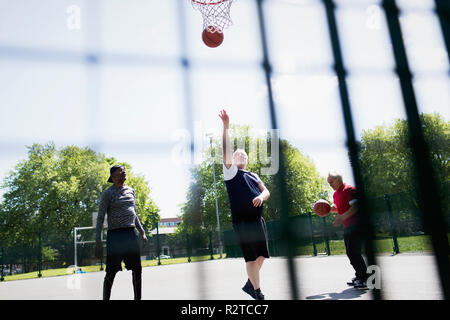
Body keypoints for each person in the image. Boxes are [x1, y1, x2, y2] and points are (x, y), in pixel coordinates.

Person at [219, 109, 270, 300]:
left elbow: (266, 191)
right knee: (250, 257)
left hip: (258, 220)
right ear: (232, 159)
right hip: (243, 221)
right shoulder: (231, 173)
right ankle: (257, 291)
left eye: (244, 155)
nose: (241, 156)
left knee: (262, 256)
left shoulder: (253, 175)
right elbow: (226, 149)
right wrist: (226, 127)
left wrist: (262, 197)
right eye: (237, 154)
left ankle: (250, 283)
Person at [95, 165, 148, 300]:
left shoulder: (131, 191)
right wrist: (98, 241)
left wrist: (142, 232)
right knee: (111, 272)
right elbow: (101, 217)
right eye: (120, 170)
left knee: (137, 270)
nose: (124, 172)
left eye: (124, 170)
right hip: (115, 236)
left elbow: (134, 214)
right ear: (113, 177)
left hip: (131, 234)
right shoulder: (107, 193)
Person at [327, 172, 368, 289]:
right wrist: (326, 209)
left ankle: (365, 278)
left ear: (338, 179)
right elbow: (337, 208)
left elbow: (355, 207)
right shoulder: (335, 194)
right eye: (328, 183)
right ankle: (360, 276)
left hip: (356, 225)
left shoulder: (349, 190)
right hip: (347, 227)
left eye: (331, 182)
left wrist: (342, 217)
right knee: (351, 253)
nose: (330, 185)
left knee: (353, 252)